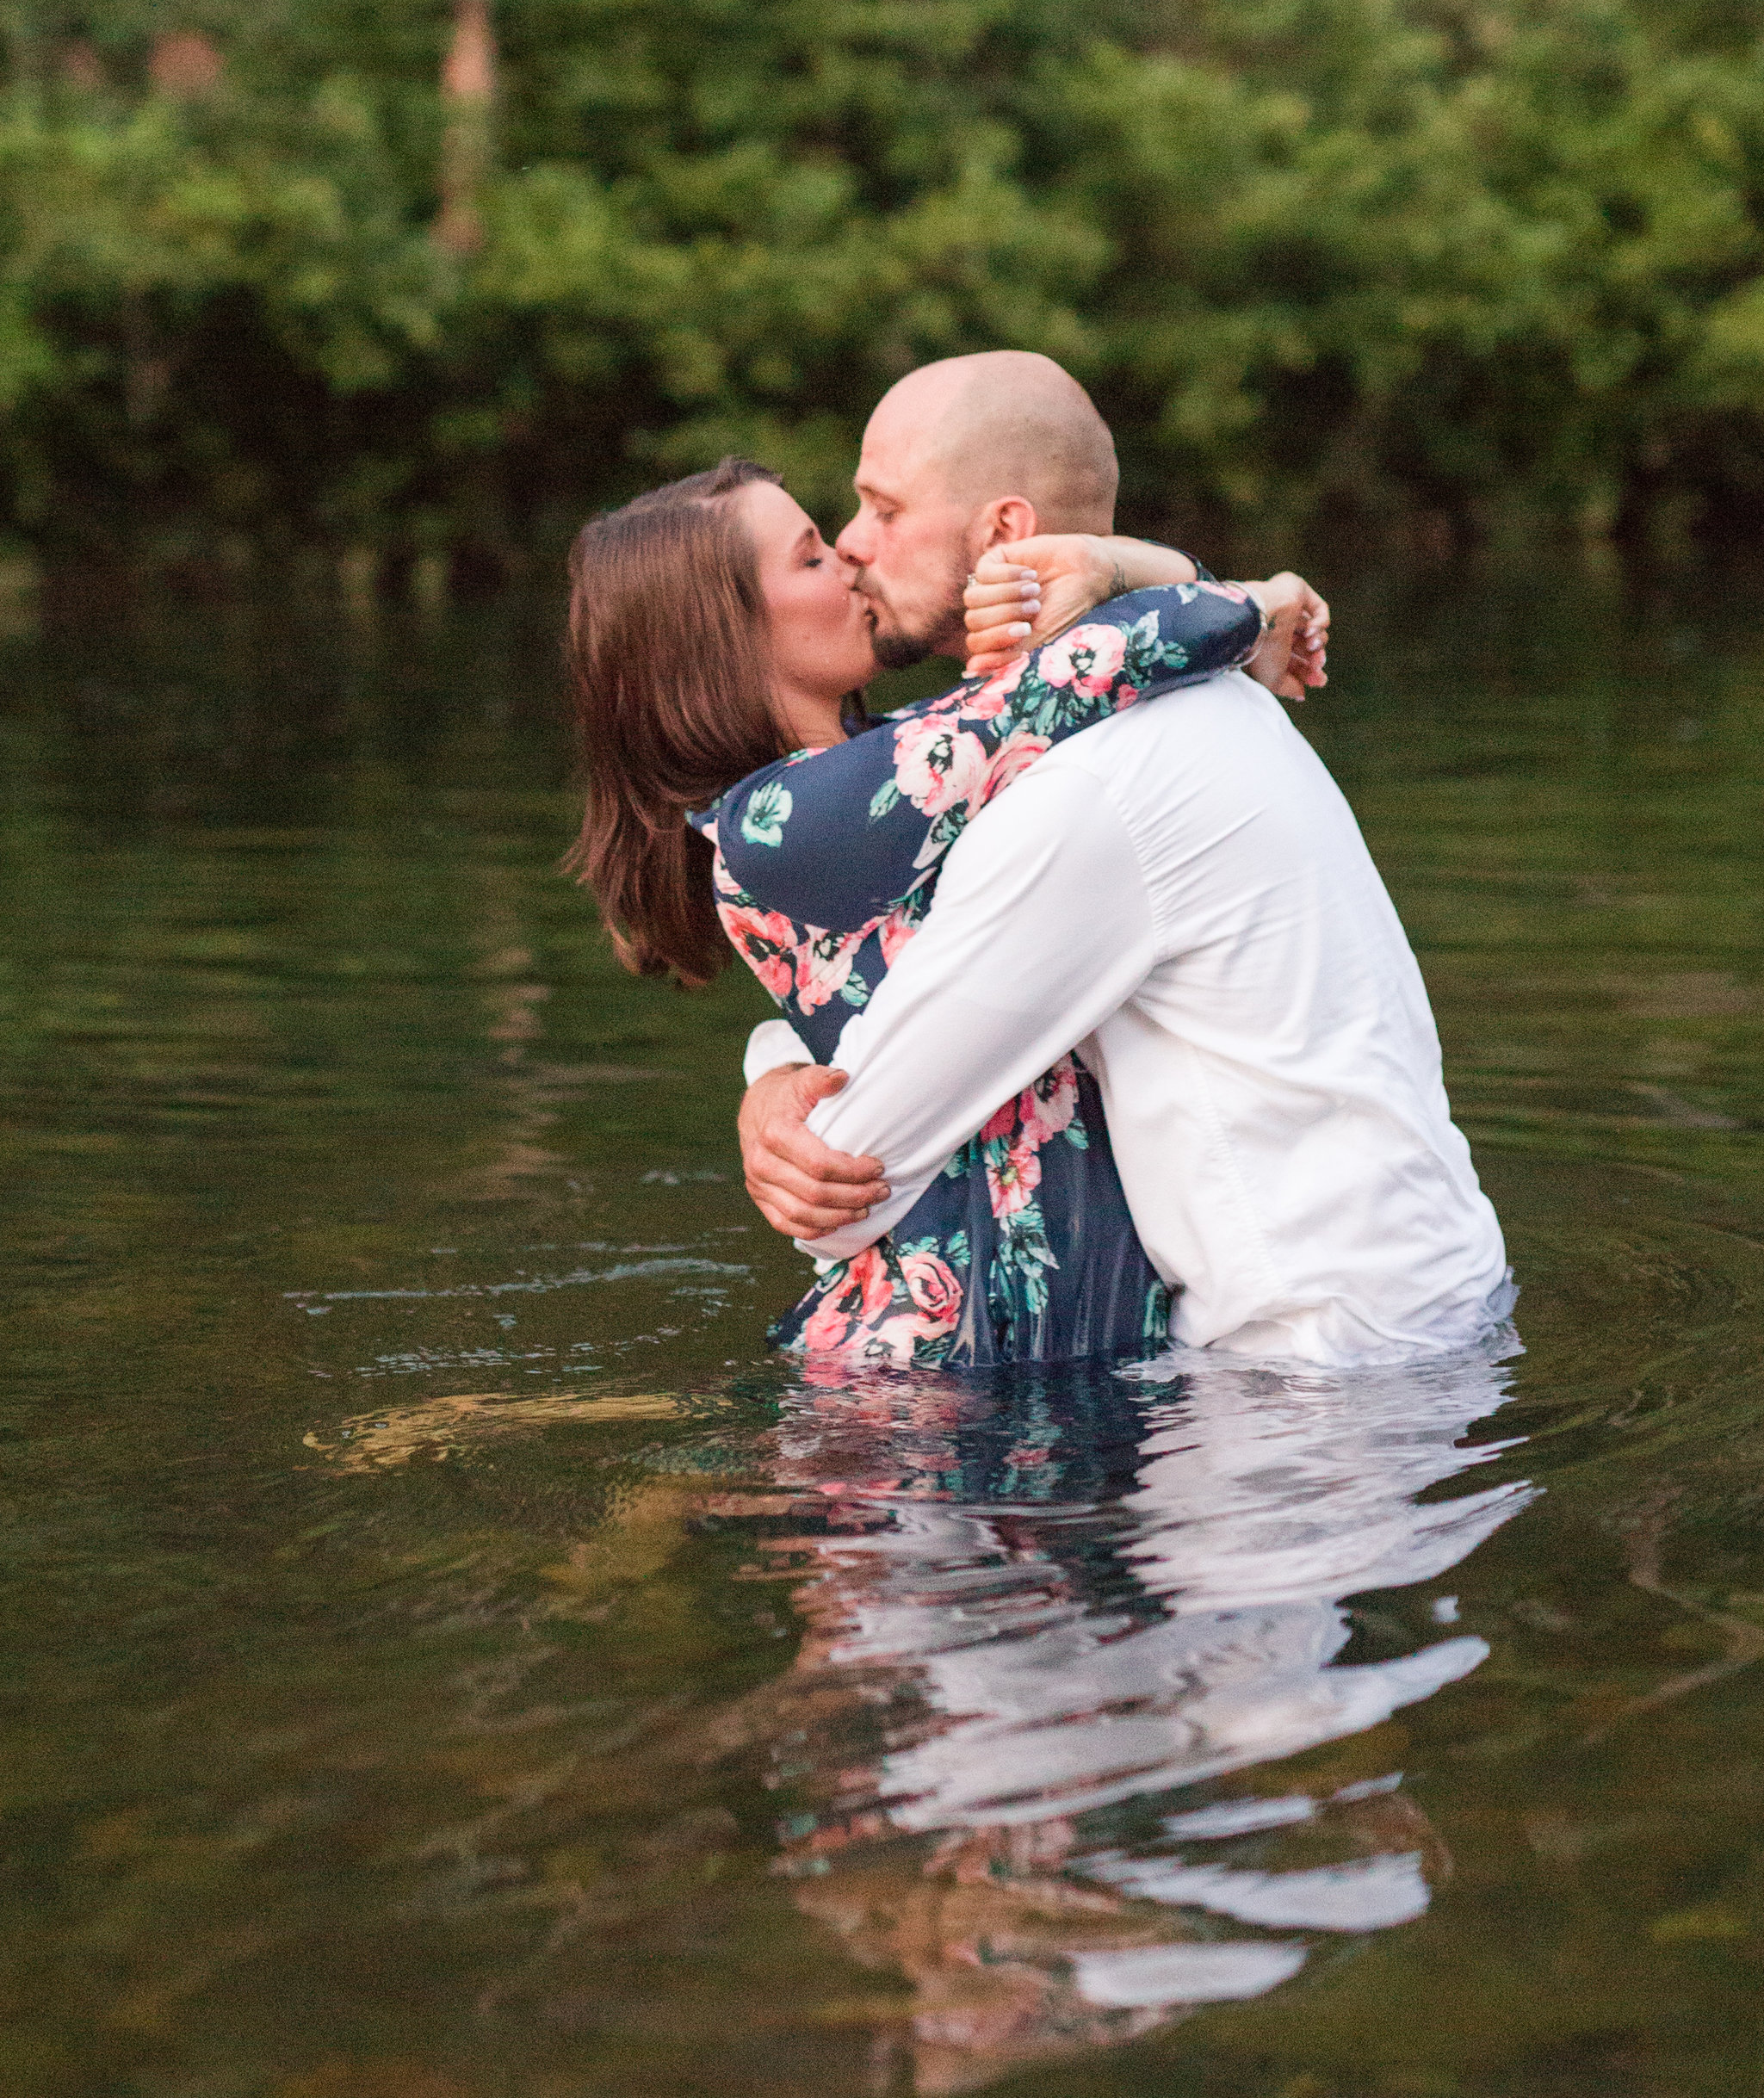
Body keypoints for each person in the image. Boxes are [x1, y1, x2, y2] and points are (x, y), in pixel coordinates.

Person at [739, 350, 1511, 1368]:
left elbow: (846, 1180)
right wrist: (774, 1059)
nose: (851, 543)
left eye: (883, 508)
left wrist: (779, 1083)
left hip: (1321, 1370)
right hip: (1414, 1307)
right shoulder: (1177, 694)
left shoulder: (1090, 788)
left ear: (1005, 535)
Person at [564, 449, 1323, 1367]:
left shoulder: (894, 768)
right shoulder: (786, 821)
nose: (848, 559)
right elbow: (1133, 645)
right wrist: (1265, 598)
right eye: (810, 558)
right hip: (933, 1363)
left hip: (1044, 1344)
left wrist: (769, 1070)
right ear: (719, 639)